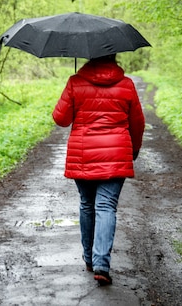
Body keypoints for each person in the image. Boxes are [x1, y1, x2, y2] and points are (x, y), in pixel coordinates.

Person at [52, 54, 145, 286]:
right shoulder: (126, 84)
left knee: (87, 204)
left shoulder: (75, 82)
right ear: (114, 56)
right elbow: (138, 122)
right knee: (106, 206)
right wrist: (133, 150)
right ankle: (101, 263)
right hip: (116, 154)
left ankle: (88, 258)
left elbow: (60, 119)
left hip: (83, 154)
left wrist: (75, 94)